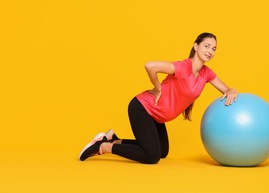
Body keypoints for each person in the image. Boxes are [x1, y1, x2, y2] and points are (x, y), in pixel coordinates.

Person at [79, 32, 238, 164]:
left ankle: (113, 140)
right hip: (143, 108)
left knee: (162, 151)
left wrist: (232, 90)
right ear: (196, 47)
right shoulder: (183, 67)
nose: (210, 50)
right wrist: (157, 87)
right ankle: (103, 147)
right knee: (152, 156)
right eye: (207, 46)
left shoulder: (206, 73)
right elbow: (150, 66)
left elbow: (226, 89)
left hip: (157, 116)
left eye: (214, 48)